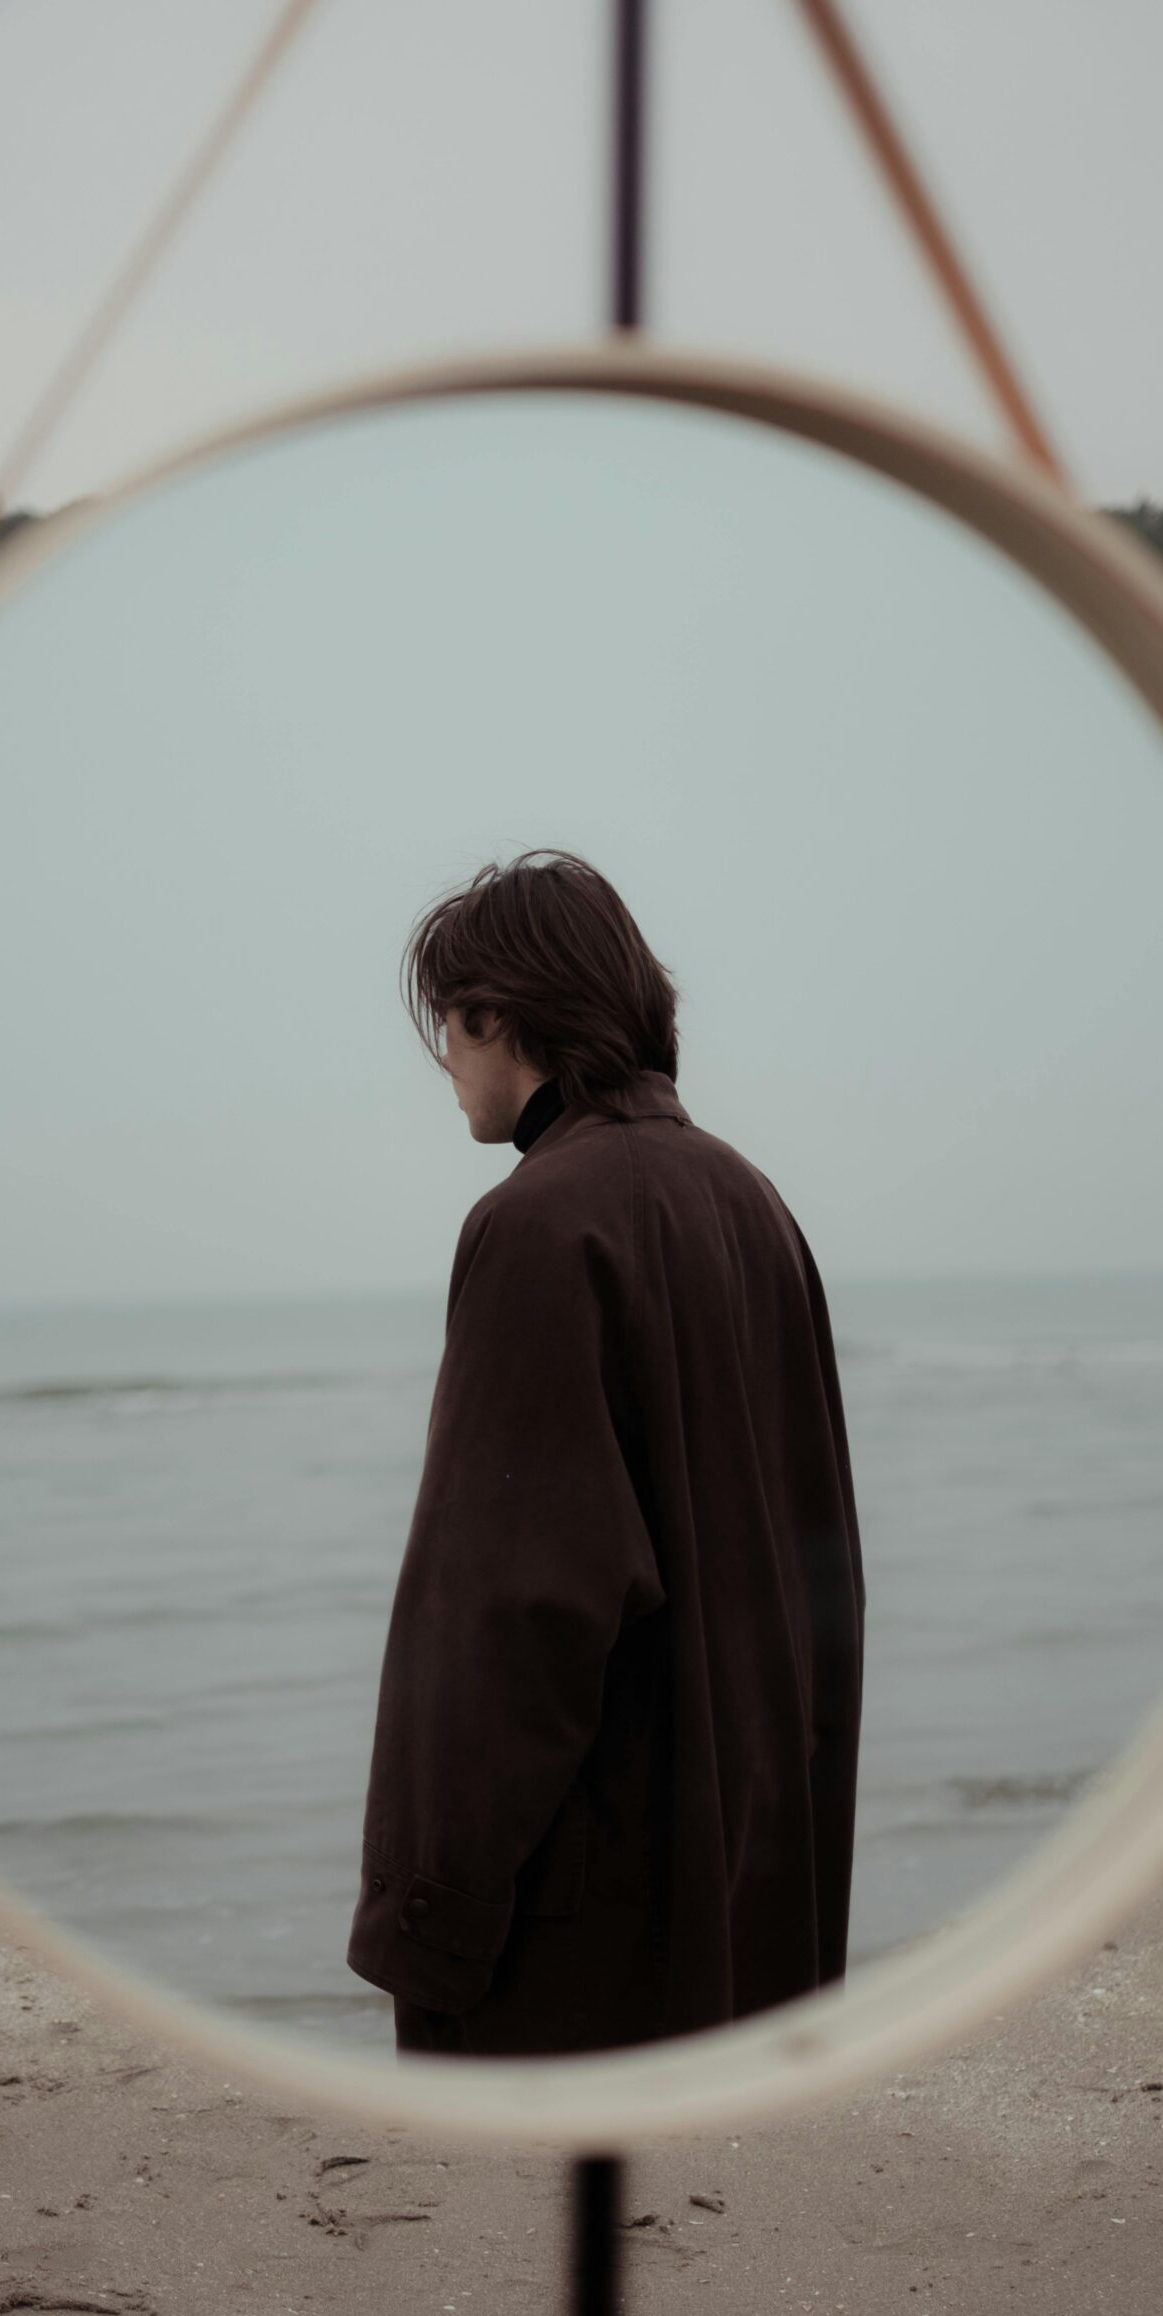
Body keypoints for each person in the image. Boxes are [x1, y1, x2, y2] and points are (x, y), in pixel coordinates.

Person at [345, 849, 865, 2057]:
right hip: (740, 1891)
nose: (443, 1062)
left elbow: (508, 1612)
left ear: (501, 1016)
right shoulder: (750, 1201)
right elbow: (817, 1569)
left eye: (449, 1027)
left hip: (582, 1920)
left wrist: (430, 1922)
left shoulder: (538, 1222)